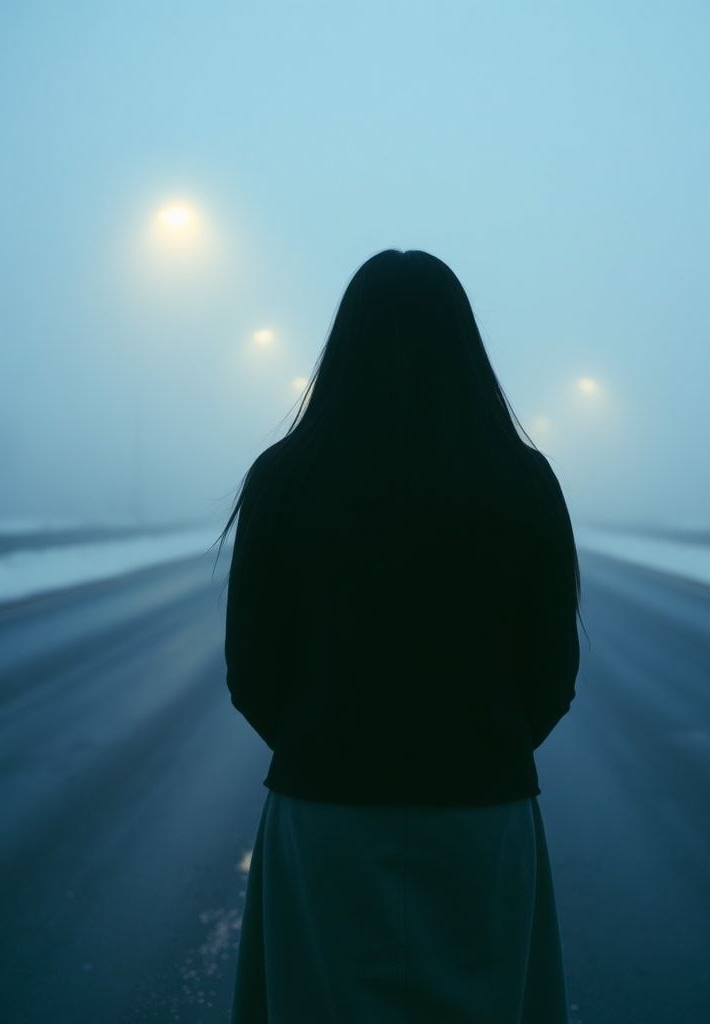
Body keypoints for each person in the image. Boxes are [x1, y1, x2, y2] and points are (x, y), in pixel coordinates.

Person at [215, 248, 585, 1022]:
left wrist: (331, 743)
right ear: (467, 346)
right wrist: (477, 746)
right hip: (483, 821)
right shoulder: (523, 481)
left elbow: (252, 672)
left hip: (324, 819)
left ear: (342, 344)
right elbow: (551, 676)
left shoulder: (285, 478)